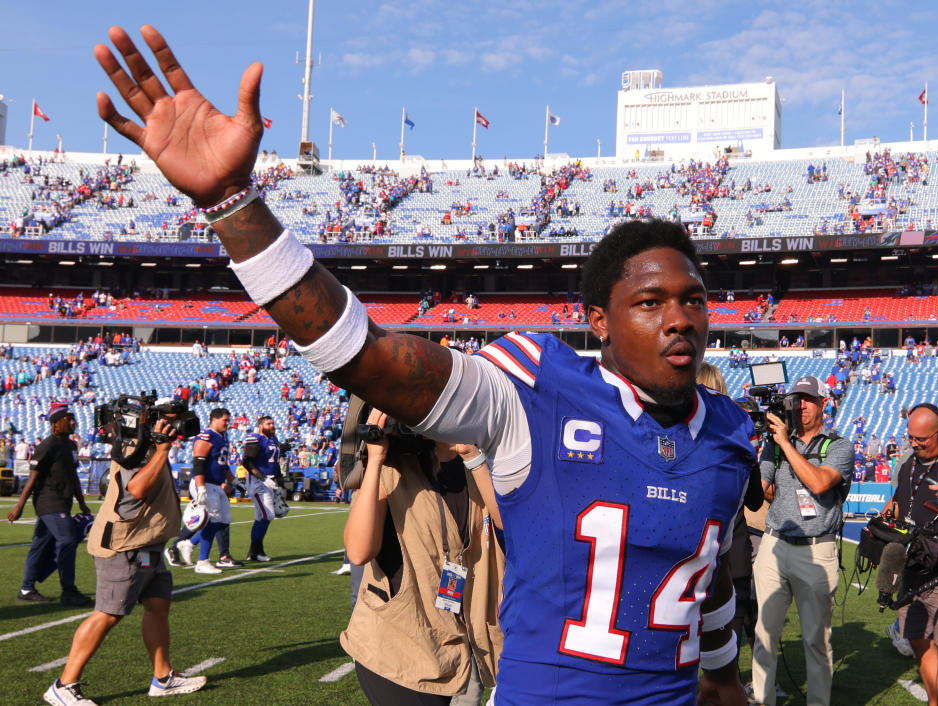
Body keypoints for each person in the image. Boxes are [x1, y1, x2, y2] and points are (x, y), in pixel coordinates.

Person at [93, 27, 756, 704]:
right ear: (599, 321)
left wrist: (725, 675)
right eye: (650, 302)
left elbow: (707, 575)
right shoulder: (536, 390)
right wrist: (234, 206)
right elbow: (366, 356)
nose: (680, 319)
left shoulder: (730, 434)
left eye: (694, 300)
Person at [43, 399, 206, 705]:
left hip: (148, 542)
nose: (180, 423)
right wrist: (161, 449)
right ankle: (63, 686)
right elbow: (138, 489)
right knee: (108, 614)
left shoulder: (148, 443)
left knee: (158, 606)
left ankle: (163, 677)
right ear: (155, 419)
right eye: (174, 418)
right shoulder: (138, 446)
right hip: (124, 543)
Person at [340, 405, 504, 705]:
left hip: (463, 643)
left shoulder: (479, 461)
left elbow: (510, 525)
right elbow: (358, 550)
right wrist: (374, 460)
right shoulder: (392, 467)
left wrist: (473, 456)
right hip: (396, 643)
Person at [750, 376, 854, 706]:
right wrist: (748, 445)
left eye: (809, 399)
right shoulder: (776, 443)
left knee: (816, 640)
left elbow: (820, 483)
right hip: (775, 543)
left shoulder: (839, 446)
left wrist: (784, 444)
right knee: (764, 635)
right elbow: (757, 493)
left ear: (824, 403)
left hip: (817, 548)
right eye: (797, 399)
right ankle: (763, 700)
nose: (802, 405)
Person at [884, 404, 938, 706]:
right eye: (911, 437)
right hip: (912, 569)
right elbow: (900, 498)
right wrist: (887, 518)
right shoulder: (907, 460)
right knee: (917, 638)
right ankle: (936, 700)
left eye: (922, 439)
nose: (915, 444)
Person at [7, 403, 92, 606]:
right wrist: (19, 505)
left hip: (63, 502)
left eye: (73, 419)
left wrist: (81, 503)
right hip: (49, 501)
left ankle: (26, 589)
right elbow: (33, 478)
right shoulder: (48, 445)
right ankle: (69, 591)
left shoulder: (71, 446)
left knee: (40, 545)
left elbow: (72, 477)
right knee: (68, 539)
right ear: (57, 423)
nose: (73, 422)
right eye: (68, 419)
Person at [165, 408, 241, 573]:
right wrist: (200, 488)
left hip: (216, 483)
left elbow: (221, 463)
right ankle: (202, 562)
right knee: (212, 520)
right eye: (225, 420)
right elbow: (198, 463)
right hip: (205, 482)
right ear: (214, 419)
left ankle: (188, 543)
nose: (228, 424)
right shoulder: (206, 436)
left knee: (223, 521)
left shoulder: (222, 437)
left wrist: (232, 479)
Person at [242, 416, 285, 561]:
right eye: (268, 423)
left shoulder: (274, 439)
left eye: (273, 423)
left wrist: (279, 481)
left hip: (270, 481)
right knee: (268, 515)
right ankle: (256, 552)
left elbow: (275, 463)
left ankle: (254, 552)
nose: (272, 425)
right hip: (258, 481)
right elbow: (247, 462)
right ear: (260, 426)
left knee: (260, 517)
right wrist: (263, 478)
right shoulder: (255, 438)